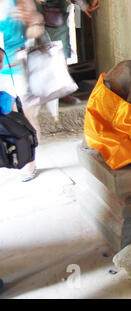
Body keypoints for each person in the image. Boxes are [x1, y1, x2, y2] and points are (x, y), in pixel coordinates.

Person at [0, 0, 45, 182]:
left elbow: (35, 29)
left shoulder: (20, 1)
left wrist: (33, 20)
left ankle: (28, 161)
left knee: (25, 116)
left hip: (17, 68)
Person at [35, 0, 99, 105]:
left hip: (46, 12)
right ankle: (60, 92)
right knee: (56, 51)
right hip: (47, 11)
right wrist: (84, 5)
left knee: (52, 50)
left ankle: (55, 91)